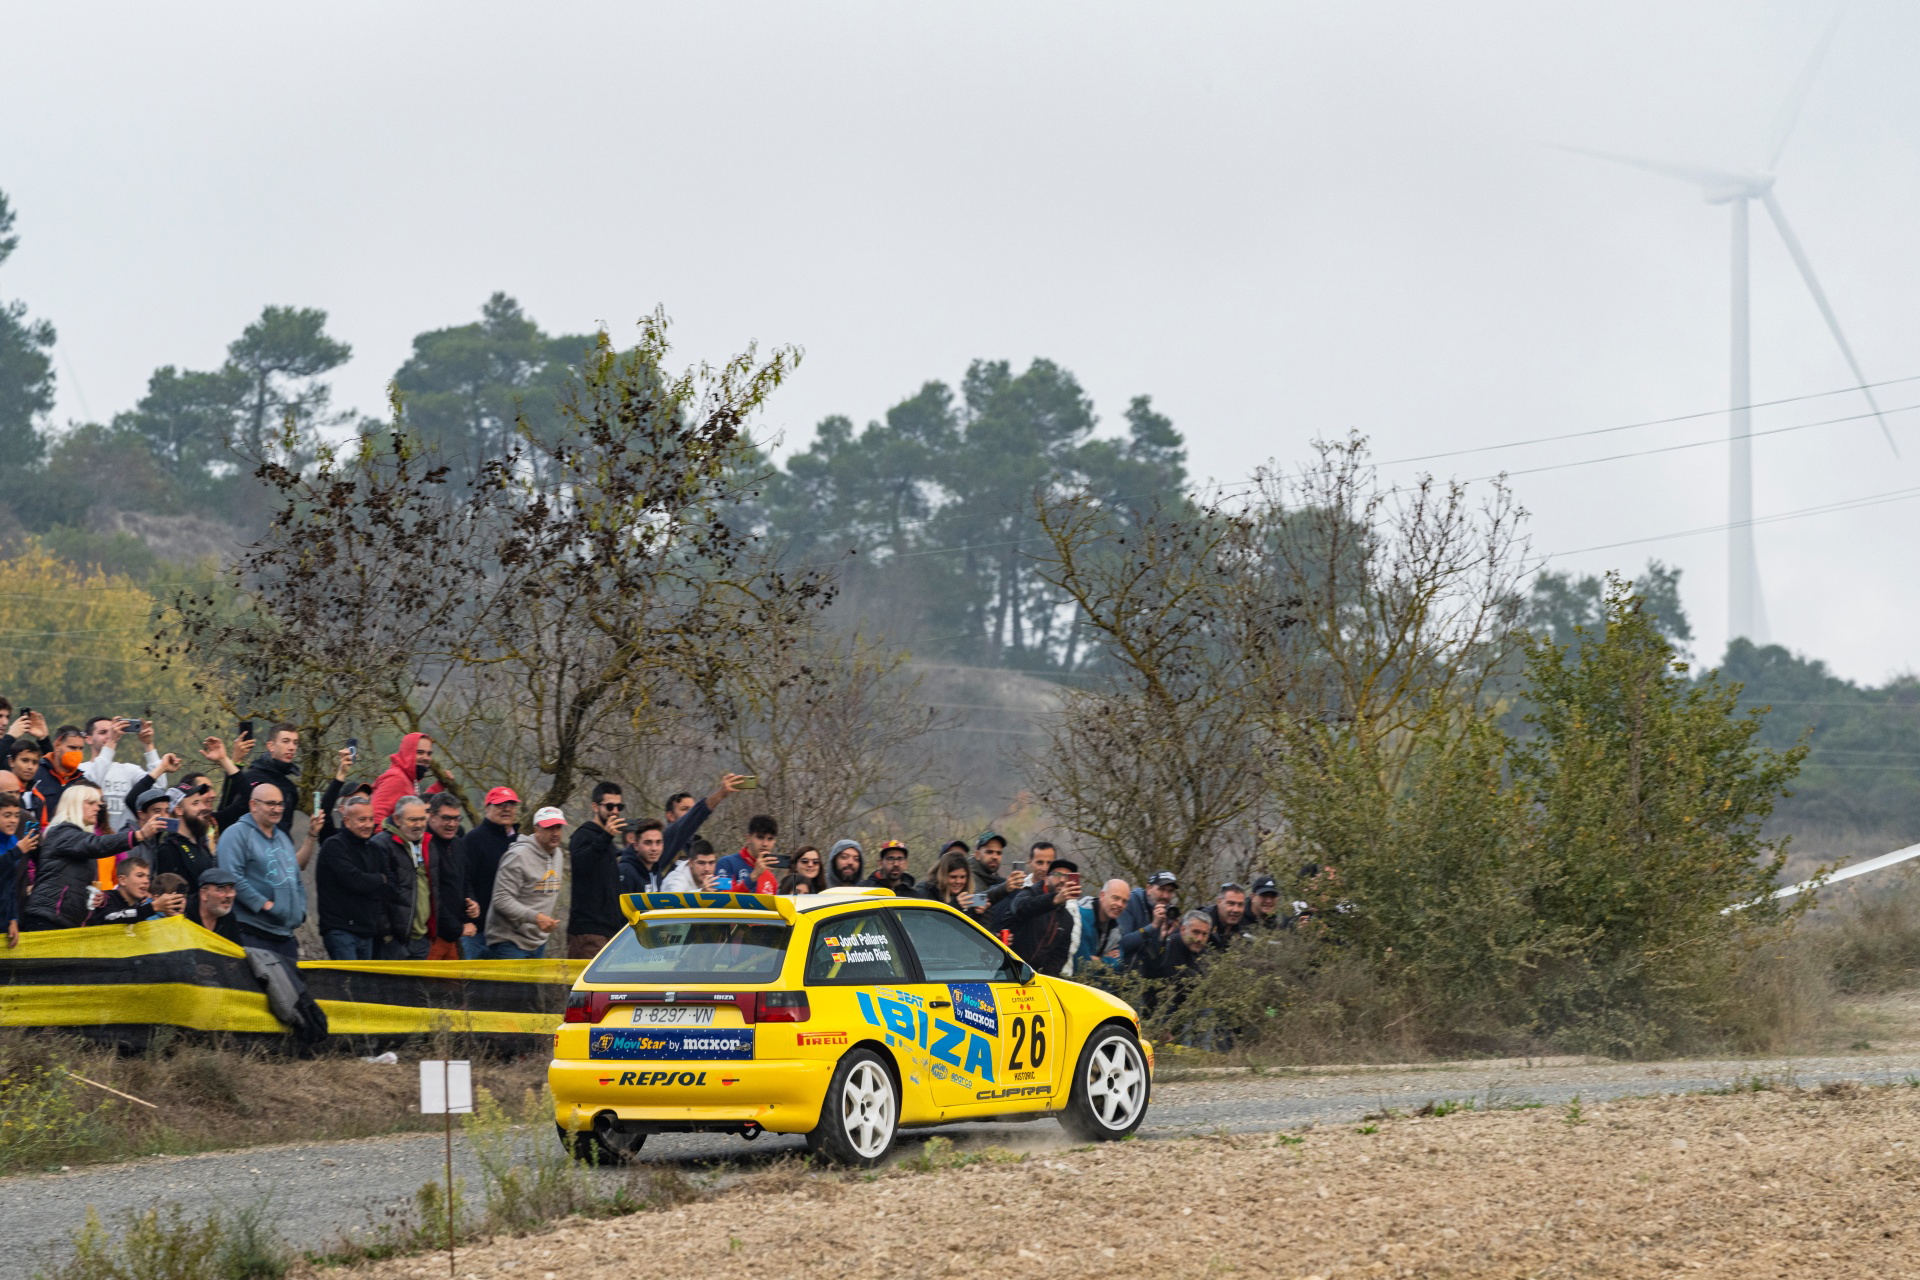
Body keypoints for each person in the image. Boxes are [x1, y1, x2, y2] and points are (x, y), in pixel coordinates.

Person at [23, 783, 158, 930]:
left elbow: (70, 881)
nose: (98, 808)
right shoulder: (63, 833)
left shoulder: (74, 837)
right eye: (91, 803)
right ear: (75, 804)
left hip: (63, 920)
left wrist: (93, 896)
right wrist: (140, 834)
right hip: (47, 919)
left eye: (99, 803)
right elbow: (98, 844)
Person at [215, 781, 315, 961]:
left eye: (280, 804)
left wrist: (300, 909)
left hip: (285, 936)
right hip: (253, 933)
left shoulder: (283, 838)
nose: (277, 809)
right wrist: (265, 905)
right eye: (271, 804)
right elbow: (231, 877)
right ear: (253, 805)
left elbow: (296, 878)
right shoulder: (236, 834)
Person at [485, 805, 567, 959]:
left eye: (558, 827)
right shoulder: (518, 855)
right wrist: (536, 917)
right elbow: (501, 899)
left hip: (538, 941)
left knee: (535, 984)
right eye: (550, 828)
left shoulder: (559, 855)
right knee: (517, 984)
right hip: (509, 942)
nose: (555, 833)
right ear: (537, 830)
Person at [315, 793, 389, 960]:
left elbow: (389, 885)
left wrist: (372, 882)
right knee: (348, 983)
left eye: (371, 819)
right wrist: (378, 879)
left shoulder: (375, 849)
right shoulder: (334, 846)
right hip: (341, 930)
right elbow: (354, 880)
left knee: (363, 985)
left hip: (368, 930)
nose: (368, 825)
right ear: (347, 821)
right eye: (362, 820)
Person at [454, 787, 519, 957]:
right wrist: (469, 915)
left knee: (507, 982)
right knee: (477, 981)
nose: (506, 809)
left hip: (510, 932)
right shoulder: (473, 839)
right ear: (487, 808)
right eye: (500, 805)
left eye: (511, 804)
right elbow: (464, 879)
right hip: (479, 930)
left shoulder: (519, 840)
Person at [567, 781, 628, 959]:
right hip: (588, 930)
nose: (615, 811)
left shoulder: (608, 843)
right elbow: (580, 864)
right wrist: (606, 836)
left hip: (610, 930)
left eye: (619, 806)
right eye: (610, 806)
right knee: (590, 987)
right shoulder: (583, 835)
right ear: (595, 806)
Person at [210, 725, 304, 837]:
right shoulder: (252, 778)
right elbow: (226, 808)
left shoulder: (290, 787)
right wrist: (234, 763)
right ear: (271, 746)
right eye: (286, 741)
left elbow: (285, 828)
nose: (292, 747)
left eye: (295, 742)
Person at [80, 715, 165, 831]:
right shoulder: (81, 769)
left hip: (126, 841)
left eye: (112, 732)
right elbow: (91, 785)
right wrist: (112, 741)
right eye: (103, 732)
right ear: (88, 739)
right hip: (93, 840)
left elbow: (158, 787)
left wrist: (148, 744)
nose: (109, 735)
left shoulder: (128, 770)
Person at [373, 795, 432, 959]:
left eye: (422, 819)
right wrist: (388, 938)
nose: (419, 825)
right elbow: (377, 897)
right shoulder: (381, 845)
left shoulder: (426, 844)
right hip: (392, 942)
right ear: (397, 819)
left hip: (421, 940)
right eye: (413, 820)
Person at [141, 779, 219, 896]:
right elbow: (170, 896)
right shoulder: (168, 850)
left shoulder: (202, 843)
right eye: (195, 803)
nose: (202, 807)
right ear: (178, 810)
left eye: (201, 802)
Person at [423, 792, 476, 959]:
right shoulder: (425, 846)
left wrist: (472, 902)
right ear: (431, 816)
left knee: (453, 984)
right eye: (446, 818)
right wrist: (457, 929)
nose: (452, 824)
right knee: (428, 985)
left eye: (456, 819)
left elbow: (465, 879)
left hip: (454, 935)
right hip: (431, 936)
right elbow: (432, 895)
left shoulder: (458, 844)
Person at [1008, 858, 1082, 974]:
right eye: (1057, 874)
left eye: (1067, 876)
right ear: (1047, 879)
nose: (1062, 880)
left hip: (1033, 978)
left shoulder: (1067, 919)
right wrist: (1054, 900)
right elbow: (1020, 908)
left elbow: (1059, 957)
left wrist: (1044, 980)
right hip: (1007, 968)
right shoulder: (1029, 893)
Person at [85, 851, 183, 925]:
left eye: (148, 877)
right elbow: (111, 917)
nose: (146, 881)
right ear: (123, 880)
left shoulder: (138, 906)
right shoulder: (106, 898)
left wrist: (170, 918)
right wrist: (153, 907)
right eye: (140, 875)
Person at [27, 726, 87, 835]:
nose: (77, 753)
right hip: (40, 843)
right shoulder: (35, 773)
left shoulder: (83, 782)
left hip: (74, 844)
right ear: (57, 745)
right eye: (72, 748)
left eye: (81, 748)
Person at [1068, 878, 1134, 975]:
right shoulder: (1080, 919)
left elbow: (1119, 965)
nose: (1120, 904)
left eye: (1124, 901)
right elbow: (1082, 965)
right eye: (1115, 898)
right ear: (1102, 895)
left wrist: (1099, 961)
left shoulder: (1116, 929)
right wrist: (1106, 959)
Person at [370, 731, 436, 826]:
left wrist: (439, 786)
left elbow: (418, 804)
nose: (426, 758)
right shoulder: (396, 778)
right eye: (420, 752)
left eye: (429, 754)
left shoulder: (408, 779)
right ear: (408, 752)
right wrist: (393, 839)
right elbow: (375, 817)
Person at [990, 842, 1056, 933]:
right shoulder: (1013, 890)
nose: (1045, 868)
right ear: (1030, 862)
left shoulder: (1063, 897)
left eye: (1049, 863)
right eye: (1039, 863)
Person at [0, 791, 36, 947]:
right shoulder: (17, 847)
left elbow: (10, 885)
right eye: (7, 815)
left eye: (16, 815)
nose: (13, 820)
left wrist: (13, 919)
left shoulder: (14, 841)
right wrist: (17, 852)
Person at [967, 831, 1027, 918]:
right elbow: (976, 900)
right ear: (977, 855)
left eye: (998, 853)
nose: (995, 857)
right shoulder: (968, 875)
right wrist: (1005, 887)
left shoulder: (991, 878)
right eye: (989, 852)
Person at [715, 814, 779, 893]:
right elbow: (722, 899)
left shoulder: (770, 877)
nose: (765, 844)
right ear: (748, 838)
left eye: (770, 839)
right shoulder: (726, 863)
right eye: (760, 837)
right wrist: (753, 877)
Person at [1144, 910, 1213, 979]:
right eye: (1196, 932)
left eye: (1204, 934)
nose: (1200, 939)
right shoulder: (1168, 949)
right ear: (1183, 930)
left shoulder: (1205, 954)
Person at [918, 849, 980, 915]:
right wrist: (954, 906)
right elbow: (928, 921)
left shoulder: (967, 898)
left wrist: (976, 913)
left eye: (962, 877)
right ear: (942, 875)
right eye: (953, 877)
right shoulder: (925, 893)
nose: (958, 881)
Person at [192, 867, 243, 944]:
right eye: (221, 890)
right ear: (204, 894)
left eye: (231, 889)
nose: (229, 895)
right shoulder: (184, 914)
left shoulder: (229, 917)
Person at [618, 820, 670, 894]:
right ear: (636, 846)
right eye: (648, 843)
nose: (654, 848)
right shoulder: (625, 871)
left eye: (658, 842)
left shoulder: (656, 868)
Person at [1208, 882, 1249, 952]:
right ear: (1219, 902)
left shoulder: (1245, 926)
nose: (1236, 910)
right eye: (1231, 904)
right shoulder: (1203, 922)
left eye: (1240, 905)